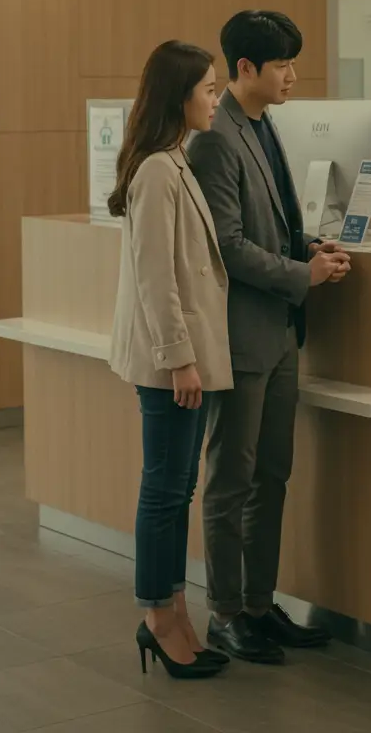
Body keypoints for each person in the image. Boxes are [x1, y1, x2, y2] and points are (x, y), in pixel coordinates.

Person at [188, 10, 350, 665]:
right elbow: (226, 246)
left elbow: (272, 224)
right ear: (245, 67)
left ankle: (259, 604)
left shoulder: (261, 124)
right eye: (282, 64)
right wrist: (303, 275)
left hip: (279, 332)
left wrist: (309, 249)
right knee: (232, 478)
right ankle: (225, 613)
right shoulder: (215, 139)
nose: (292, 76)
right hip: (241, 336)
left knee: (273, 474)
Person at [108, 40, 232, 681]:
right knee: (164, 491)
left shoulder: (173, 160)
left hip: (181, 358)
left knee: (178, 488)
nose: (216, 99)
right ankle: (158, 617)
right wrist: (180, 359)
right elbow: (156, 277)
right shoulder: (158, 169)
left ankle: (176, 608)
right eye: (208, 89)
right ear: (179, 97)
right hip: (171, 363)